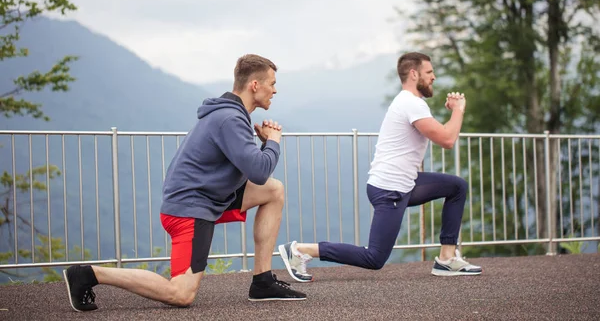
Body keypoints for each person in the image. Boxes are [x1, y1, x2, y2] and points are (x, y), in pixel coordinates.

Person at [63, 54, 306, 312]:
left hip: (208, 197)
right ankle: (89, 275)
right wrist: (274, 141)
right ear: (254, 85)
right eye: (272, 83)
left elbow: (253, 169)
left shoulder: (231, 115)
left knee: (273, 190)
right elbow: (258, 170)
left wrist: (265, 145)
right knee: (181, 293)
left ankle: (263, 282)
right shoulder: (230, 119)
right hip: (189, 209)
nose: (275, 89)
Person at [278, 52, 482, 282]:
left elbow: (442, 134)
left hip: (405, 183)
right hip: (390, 189)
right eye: (429, 72)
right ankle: (300, 250)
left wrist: (453, 113)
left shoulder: (413, 103)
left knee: (456, 187)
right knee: (374, 258)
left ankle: (446, 259)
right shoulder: (410, 103)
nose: (434, 77)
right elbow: (447, 139)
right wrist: (458, 109)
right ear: (414, 74)